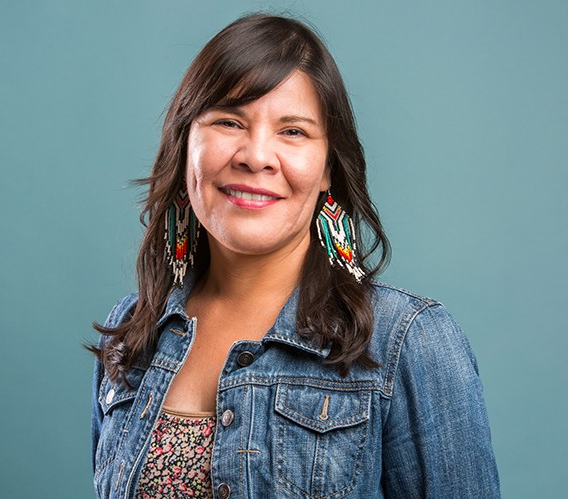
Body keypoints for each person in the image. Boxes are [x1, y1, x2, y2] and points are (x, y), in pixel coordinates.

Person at [90, 13, 500, 499]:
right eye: (228, 121)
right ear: (185, 145)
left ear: (328, 167)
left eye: (294, 132)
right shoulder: (135, 329)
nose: (256, 155)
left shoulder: (407, 342)